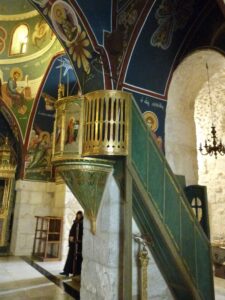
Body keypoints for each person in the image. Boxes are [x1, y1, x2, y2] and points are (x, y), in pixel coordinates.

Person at [60, 211, 84, 277]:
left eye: (80, 215)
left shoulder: (82, 223)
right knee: (70, 257)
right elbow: (72, 231)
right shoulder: (76, 222)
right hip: (73, 243)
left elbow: (81, 233)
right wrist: (71, 239)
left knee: (77, 258)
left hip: (78, 244)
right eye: (78, 215)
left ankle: (76, 272)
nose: (78, 216)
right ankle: (66, 271)